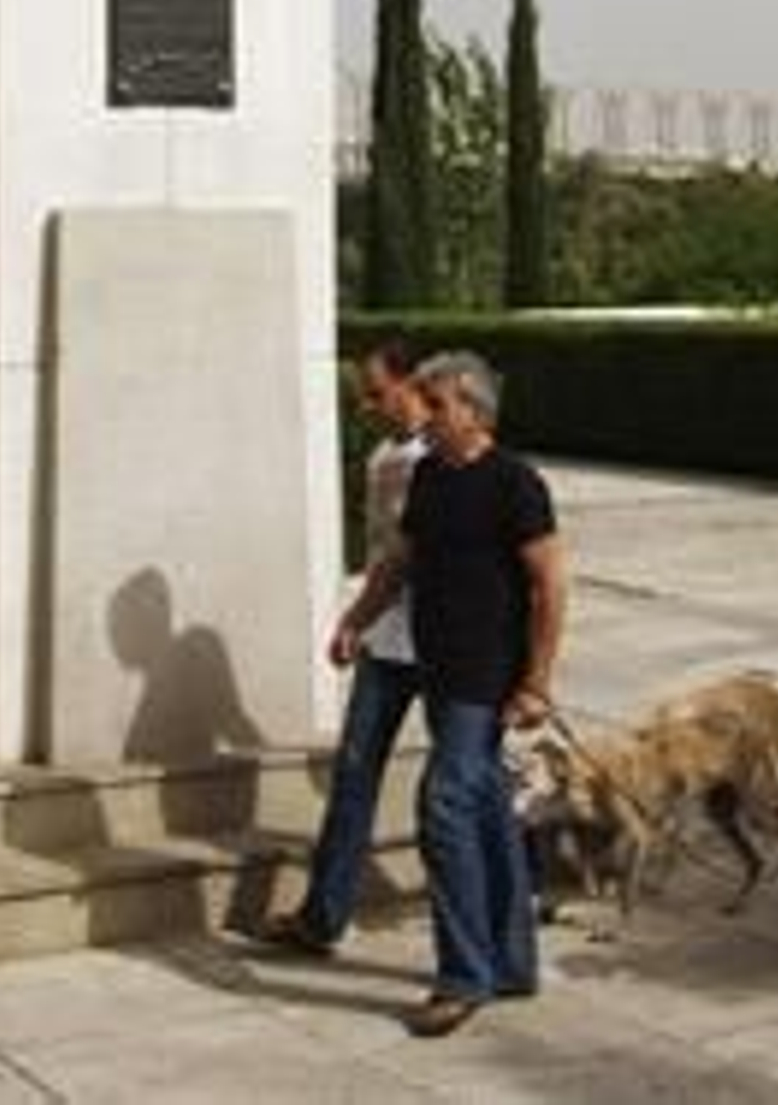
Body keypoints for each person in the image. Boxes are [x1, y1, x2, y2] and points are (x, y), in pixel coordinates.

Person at [331, 349, 567, 1040]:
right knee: (488, 809)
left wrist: (537, 682)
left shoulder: (515, 483)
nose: (423, 416)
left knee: (444, 808)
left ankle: (463, 975)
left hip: (484, 678)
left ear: (473, 409)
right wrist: (356, 620)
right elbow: (399, 562)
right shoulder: (431, 475)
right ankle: (512, 963)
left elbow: (550, 586)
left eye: (437, 406)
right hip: (439, 668)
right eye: (425, 404)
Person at [259, 336, 429, 953]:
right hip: (386, 643)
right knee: (353, 776)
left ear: (411, 383)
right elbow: (384, 552)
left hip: (442, 642)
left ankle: (508, 901)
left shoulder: (448, 455)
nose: (369, 404)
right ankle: (321, 918)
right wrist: (361, 621)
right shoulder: (383, 455)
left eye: (377, 391)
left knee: (468, 784)